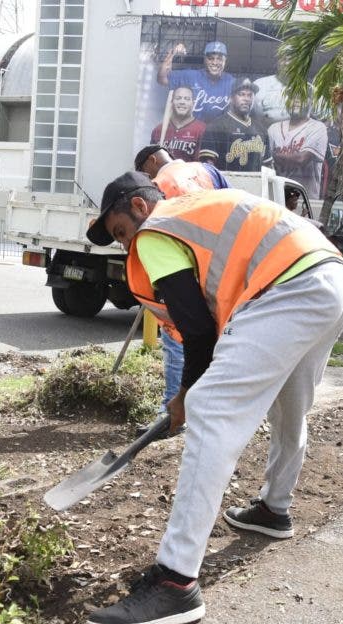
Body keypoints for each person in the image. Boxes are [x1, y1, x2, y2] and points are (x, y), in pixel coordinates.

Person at [84, 172, 343, 624]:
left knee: (211, 410)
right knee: (291, 407)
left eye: (120, 234)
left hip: (288, 288)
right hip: (332, 282)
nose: (127, 248)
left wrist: (187, 395)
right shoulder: (200, 209)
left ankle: (174, 582)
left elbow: (196, 327)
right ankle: (273, 509)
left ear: (138, 207)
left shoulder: (156, 231)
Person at [133, 145, 230, 432]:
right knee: (213, 342)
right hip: (218, 266)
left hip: (185, 268)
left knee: (177, 339)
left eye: (143, 171)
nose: (144, 177)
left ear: (152, 160)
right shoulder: (206, 170)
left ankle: (173, 415)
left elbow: (156, 228)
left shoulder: (159, 185)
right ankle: (204, 409)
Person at [197, 78, 271, 172]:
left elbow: (268, 165)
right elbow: (208, 166)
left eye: (250, 95)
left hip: (255, 184)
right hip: (227, 184)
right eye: (241, 94)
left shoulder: (261, 129)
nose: (246, 99)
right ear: (231, 98)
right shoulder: (216, 126)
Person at [158, 41, 234, 122]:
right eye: (211, 58)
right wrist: (172, 53)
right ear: (205, 59)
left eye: (219, 59)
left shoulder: (232, 82)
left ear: (225, 60)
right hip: (192, 132)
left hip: (219, 132)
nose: (215, 62)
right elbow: (162, 79)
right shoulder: (191, 76)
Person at [269, 100, 327, 198]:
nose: (296, 100)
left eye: (302, 97)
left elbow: (301, 159)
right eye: (293, 96)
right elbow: (265, 163)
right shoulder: (273, 128)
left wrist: (274, 156)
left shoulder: (318, 127)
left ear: (311, 103)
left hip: (305, 200)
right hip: (277, 197)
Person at [150, 86, 206, 162]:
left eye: (187, 99)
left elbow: (202, 165)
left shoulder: (202, 129)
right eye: (178, 98)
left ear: (193, 103)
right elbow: (152, 161)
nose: (182, 102)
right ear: (172, 102)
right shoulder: (158, 130)